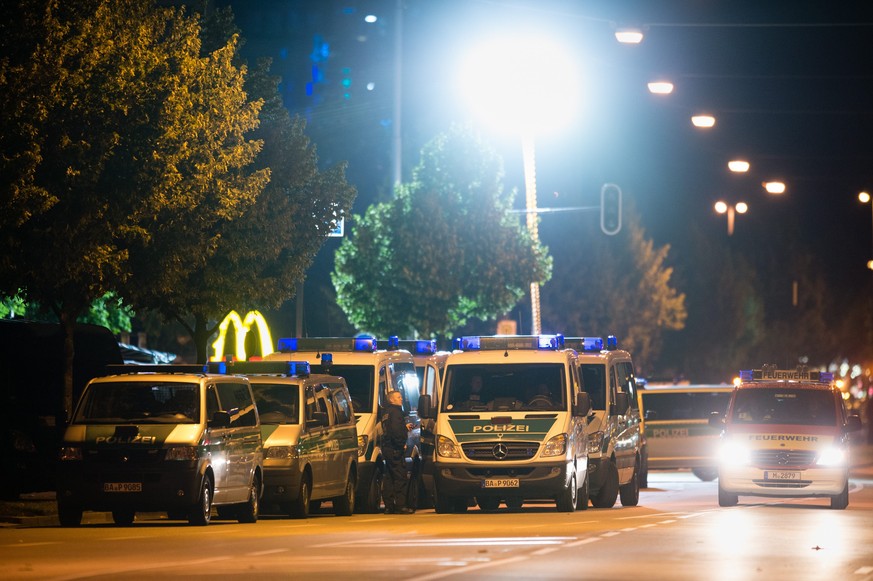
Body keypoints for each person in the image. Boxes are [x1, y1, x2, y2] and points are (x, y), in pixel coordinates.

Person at [380, 390, 414, 514]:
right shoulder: (396, 412)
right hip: (395, 449)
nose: (401, 399)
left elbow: (390, 429)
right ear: (391, 400)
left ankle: (389, 506)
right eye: (398, 397)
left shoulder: (386, 413)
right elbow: (395, 431)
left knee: (389, 477)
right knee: (400, 477)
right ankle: (401, 506)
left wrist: (404, 428)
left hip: (387, 448)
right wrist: (401, 444)